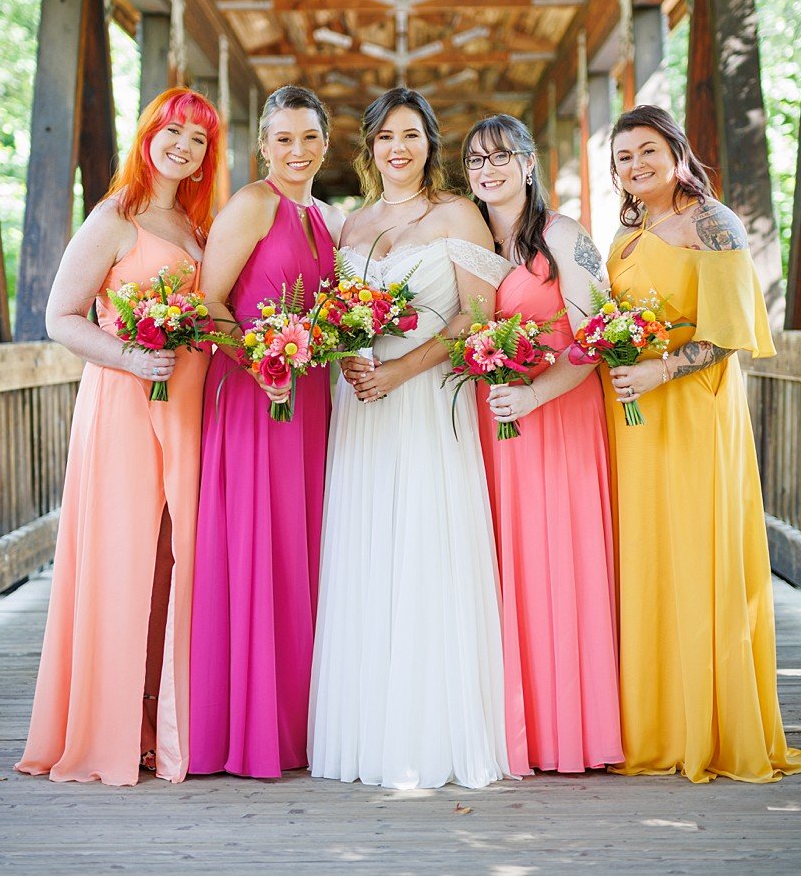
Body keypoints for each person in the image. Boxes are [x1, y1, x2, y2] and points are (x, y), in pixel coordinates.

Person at [308, 87, 513, 790]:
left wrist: (401, 368)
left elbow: (476, 318)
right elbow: (332, 316)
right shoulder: (350, 226)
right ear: (368, 148)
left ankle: (432, 728)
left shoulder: (457, 214)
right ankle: (368, 727)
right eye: (386, 136)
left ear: (431, 144)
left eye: (413, 136)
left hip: (427, 400)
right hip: (360, 406)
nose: (399, 148)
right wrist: (350, 358)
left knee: (426, 545)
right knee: (367, 549)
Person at [17, 87, 221, 786]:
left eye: (198, 139)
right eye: (174, 130)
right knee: (125, 557)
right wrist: (132, 357)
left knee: (176, 561)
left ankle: (160, 724)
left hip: (188, 406)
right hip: (128, 403)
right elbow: (61, 316)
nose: (183, 145)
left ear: (205, 157)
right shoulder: (115, 217)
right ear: (148, 135)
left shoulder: (199, 225)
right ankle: (106, 728)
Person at [603, 103, 801, 784]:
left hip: (692, 409)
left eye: (646, 151)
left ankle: (710, 724)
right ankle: (656, 721)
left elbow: (730, 330)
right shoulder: (630, 234)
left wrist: (661, 367)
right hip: (633, 415)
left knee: (696, 551)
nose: (635, 166)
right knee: (648, 558)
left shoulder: (713, 223)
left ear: (676, 150)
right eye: (623, 156)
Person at [463, 114, 623, 776]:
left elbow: (596, 336)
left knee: (556, 561)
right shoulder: (469, 240)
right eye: (476, 161)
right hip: (491, 420)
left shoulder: (564, 238)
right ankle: (508, 727)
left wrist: (533, 394)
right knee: (497, 564)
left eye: (502, 156)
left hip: (554, 414)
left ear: (529, 163)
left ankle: (568, 730)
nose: (489, 169)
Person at [191, 86, 343, 778]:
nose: (298, 151)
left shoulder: (326, 216)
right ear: (263, 145)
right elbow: (209, 303)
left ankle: (300, 722)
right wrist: (260, 361)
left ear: (327, 141)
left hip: (309, 399)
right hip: (255, 396)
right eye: (284, 138)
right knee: (258, 545)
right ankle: (246, 728)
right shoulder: (253, 204)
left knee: (299, 549)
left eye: (309, 137)